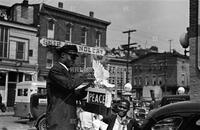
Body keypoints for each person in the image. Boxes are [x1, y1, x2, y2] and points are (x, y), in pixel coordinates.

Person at [46, 45, 93, 130]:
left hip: (68, 118)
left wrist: (89, 88)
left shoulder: (66, 72)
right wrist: (83, 74)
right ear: (63, 55)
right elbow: (69, 84)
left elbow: (73, 94)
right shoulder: (55, 70)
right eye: (72, 57)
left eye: (75, 58)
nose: (74, 60)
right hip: (59, 119)